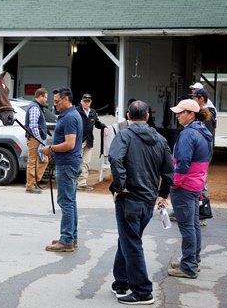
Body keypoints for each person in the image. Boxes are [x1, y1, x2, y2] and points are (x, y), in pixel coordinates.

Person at [108, 100, 174, 305]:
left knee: (132, 243)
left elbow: (114, 158)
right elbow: (169, 169)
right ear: (147, 116)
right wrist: (163, 194)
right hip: (147, 200)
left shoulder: (125, 135)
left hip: (130, 199)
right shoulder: (160, 139)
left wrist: (120, 186)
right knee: (128, 239)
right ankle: (121, 282)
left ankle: (143, 292)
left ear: (128, 116)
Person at [168, 99, 213, 279]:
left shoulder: (188, 134)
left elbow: (183, 162)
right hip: (196, 184)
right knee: (193, 225)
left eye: (181, 112)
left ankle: (188, 266)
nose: (177, 115)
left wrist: (174, 182)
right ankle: (193, 260)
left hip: (185, 185)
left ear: (191, 114)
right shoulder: (204, 132)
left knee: (187, 226)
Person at [41, 87, 83, 252]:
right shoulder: (71, 115)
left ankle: (66, 241)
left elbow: (69, 144)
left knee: (66, 202)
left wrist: (50, 149)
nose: (55, 104)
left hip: (67, 164)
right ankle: (71, 237)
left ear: (66, 100)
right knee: (71, 201)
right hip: (69, 163)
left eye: (57, 101)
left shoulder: (69, 118)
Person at [75, 93, 108, 191]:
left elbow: (97, 123)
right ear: (81, 102)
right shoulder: (76, 111)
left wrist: (104, 127)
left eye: (88, 101)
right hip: (78, 141)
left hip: (89, 141)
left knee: (86, 162)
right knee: (77, 162)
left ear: (90, 102)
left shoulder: (92, 112)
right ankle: (74, 182)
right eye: (85, 101)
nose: (86, 103)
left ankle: (82, 183)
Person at [25, 88, 49, 194]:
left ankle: (34, 181)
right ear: (40, 96)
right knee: (33, 161)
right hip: (35, 139)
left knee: (44, 160)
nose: (46, 100)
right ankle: (30, 185)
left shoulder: (37, 106)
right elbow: (33, 125)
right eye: (45, 97)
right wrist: (39, 140)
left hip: (37, 138)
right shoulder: (34, 107)